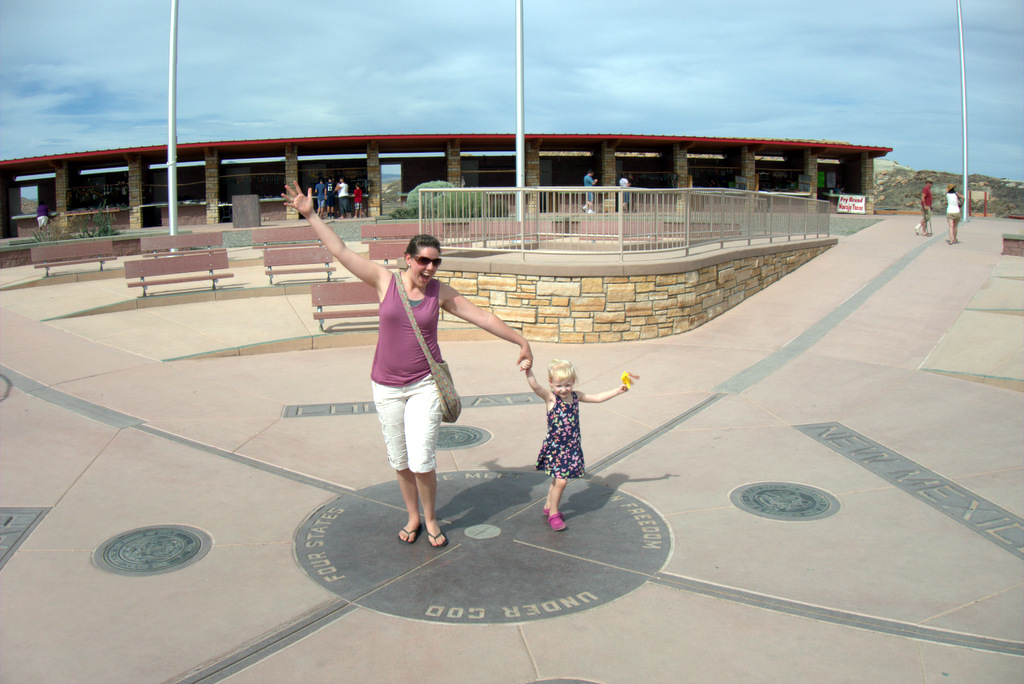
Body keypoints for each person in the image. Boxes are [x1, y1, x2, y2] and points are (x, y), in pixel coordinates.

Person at [281, 181, 533, 547]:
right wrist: (310, 214)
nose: (429, 267)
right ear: (407, 259)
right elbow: (340, 250)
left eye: (435, 261)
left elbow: (482, 317)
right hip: (385, 385)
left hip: (424, 386)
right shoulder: (385, 281)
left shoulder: (439, 292)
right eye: (423, 260)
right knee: (399, 458)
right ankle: (412, 515)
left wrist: (521, 340)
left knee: (422, 458)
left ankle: (431, 519)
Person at [521, 358, 628, 531]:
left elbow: (598, 397)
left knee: (557, 479)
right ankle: (554, 513)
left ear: (573, 382)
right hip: (556, 448)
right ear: (551, 383)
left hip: (571, 447)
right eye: (559, 385)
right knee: (561, 482)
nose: (563, 389)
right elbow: (535, 386)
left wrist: (618, 390)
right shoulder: (551, 398)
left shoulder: (576, 396)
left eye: (567, 385)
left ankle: (548, 506)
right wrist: (528, 371)